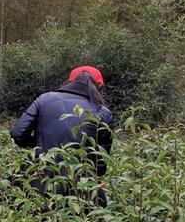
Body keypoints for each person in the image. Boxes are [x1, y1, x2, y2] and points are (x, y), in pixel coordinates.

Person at [10, 66, 114, 207]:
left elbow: (18, 133)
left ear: (69, 82)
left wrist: (41, 145)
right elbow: (100, 165)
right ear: (100, 87)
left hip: (38, 179)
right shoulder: (103, 112)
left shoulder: (44, 98)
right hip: (79, 187)